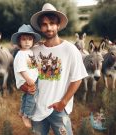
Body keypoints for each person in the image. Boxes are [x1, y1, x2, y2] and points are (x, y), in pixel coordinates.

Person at [30, 3, 88, 135]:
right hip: (37, 110)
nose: (48, 27)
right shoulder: (35, 50)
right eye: (44, 24)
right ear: (40, 27)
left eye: (52, 23)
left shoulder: (70, 49)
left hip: (59, 109)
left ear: (58, 25)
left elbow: (77, 78)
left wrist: (63, 102)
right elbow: (28, 75)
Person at [11, 24, 41, 128]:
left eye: (30, 39)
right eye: (24, 39)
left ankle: (22, 111)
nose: (27, 42)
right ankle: (26, 115)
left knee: (26, 96)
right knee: (32, 97)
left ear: (33, 41)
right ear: (19, 41)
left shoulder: (29, 51)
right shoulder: (20, 54)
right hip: (27, 80)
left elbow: (31, 64)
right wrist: (28, 79)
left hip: (31, 79)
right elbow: (21, 69)